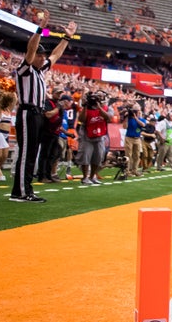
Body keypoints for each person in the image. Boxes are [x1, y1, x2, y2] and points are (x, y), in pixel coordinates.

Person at [12, 17, 76, 203]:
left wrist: (66, 38)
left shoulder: (40, 71)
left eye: (43, 55)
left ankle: (23, 190)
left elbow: (55, 55)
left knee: (32, 153)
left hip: (37, 113)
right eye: (39, 55)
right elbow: (31, 49)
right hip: (28, 112)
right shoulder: (25, 69)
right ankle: (22, 192)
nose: (42, 58)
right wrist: (40, 30)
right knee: (27, 153)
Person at [76, 90, 113, 185]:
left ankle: (92, 176)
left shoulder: (107, 108)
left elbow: (108, 118)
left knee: (98, 157)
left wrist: (99, 107)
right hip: (86, 135)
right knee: (85, 156)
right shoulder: (86, 107)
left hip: (100, 136)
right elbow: (81, 119)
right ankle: (85, 177)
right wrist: (85, 106)